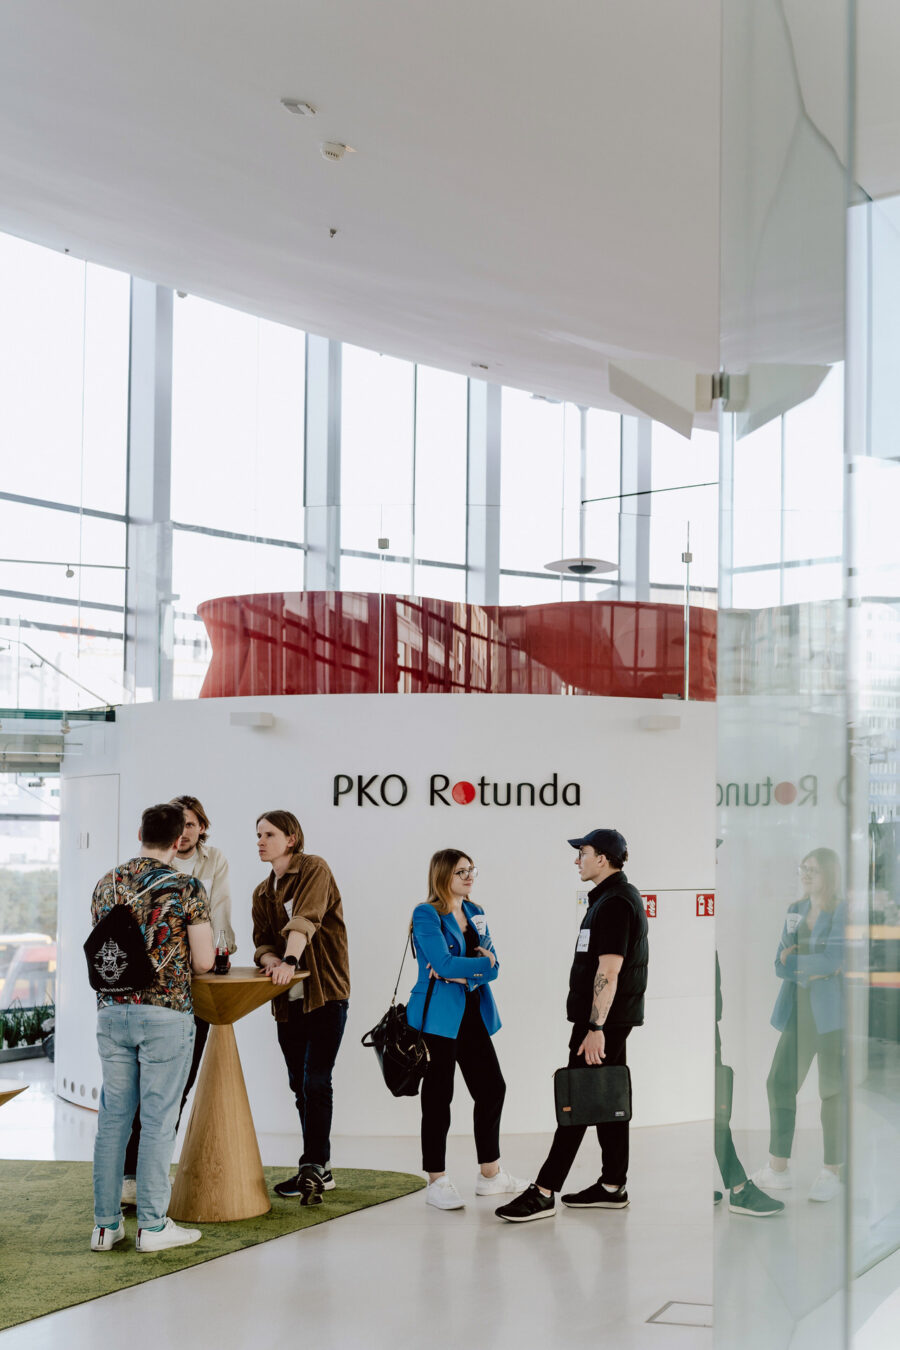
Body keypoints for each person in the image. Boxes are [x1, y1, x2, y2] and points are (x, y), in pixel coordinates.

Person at [496, 827, 648, 1223]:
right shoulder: (609, 899)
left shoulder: (615, 903)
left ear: (603, 858)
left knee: (576, 1098)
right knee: (607, 1096)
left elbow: (609, 971)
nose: (576, 859)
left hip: (602, 1022)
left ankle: (544, 1191)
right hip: (608, 1020)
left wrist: (596, 1028)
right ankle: (612, 1186)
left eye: (583, 852)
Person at [90, 802, 215, 1253]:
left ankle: (105, 1227)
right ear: (179, 840)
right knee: (159, 1121)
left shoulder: (107, 883)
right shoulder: (186, 886)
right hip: (165, 1013)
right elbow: (203, 962)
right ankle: (153, 1227)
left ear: (140, 833)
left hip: (111, 1011)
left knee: (113, 1121)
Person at [121, 793, 234, 1206]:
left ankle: (127, 1189)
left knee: (142, 1096)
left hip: (128, 1000)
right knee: (162, 1093)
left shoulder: (116, 878)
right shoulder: (184, 885)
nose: (184, 833)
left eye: (191, 824)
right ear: (170, 836)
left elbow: (221, 916)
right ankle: (142, 1186)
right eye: (179, 826)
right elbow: (202, 957)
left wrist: (223, 949)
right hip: (173, 996)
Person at [408, 848, 525, 1210]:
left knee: (492, 1088)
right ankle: (436, 1180)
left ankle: (490, 1175)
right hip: (437, 1017)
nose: (469, 876)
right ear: (443, 875)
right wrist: (469, 966)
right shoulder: (426, 913)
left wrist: (462, 974)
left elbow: (494, 966)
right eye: (461, 871)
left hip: (472, 1011)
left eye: (472, 869)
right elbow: (442, 963)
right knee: (438, 1097)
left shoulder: (476, 912)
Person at [252, 810, 351, 1204]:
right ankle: (318, 1168)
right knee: (300, 1085)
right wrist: (270, 961)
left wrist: (290, 961)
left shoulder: (314, 868)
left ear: (291, 838)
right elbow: (262, 941)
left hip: (325, 994)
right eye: (258, 835)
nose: (260, 841)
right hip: (287, 1001)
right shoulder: (262, 892)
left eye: (269, 834)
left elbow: (306, 919)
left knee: (316, 1081)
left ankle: (313, 1165)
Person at [752, 847, 846, 1203]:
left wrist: (797, 961)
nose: (805, 874)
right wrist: (809, 966)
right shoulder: (795, 909)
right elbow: (778, 964)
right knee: (779, 1083)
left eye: (813, 870)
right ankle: (778, 1168)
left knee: (831, 1092)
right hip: (797, 1011)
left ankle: (832, 1171)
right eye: (803, 868)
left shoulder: (842, 911)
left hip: (832, 1015)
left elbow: (834, 959)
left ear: (829, 874)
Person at [714, 952, 783, 1217]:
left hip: (703, 1020)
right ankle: (739, 1188)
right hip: (695, 1020)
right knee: (713, 1111)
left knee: (709, 1107)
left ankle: (726, 1185)